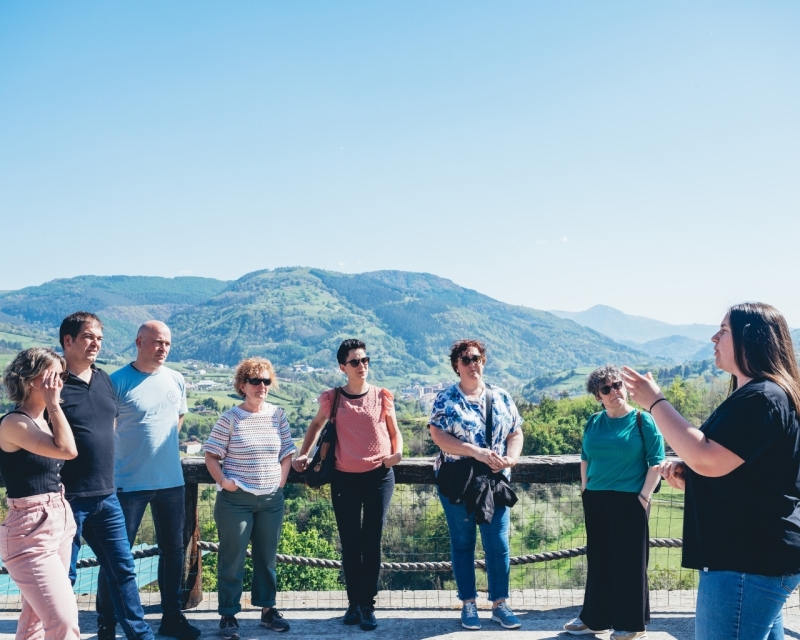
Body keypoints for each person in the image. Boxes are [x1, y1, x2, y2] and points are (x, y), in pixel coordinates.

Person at [624, 302, 800, 640]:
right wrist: (693, 477)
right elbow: (738, 471)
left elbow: (706, 457)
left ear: (751, 339)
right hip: (755, 559)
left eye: (724, 330)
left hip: (746, 562)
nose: (713, 337)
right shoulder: (763, 395)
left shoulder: (763, 397)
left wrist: (656, 403)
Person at [97, 321, 201, 640]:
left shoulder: (176, 379)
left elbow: (177, 419)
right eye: (157, 342)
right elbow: (104, 429)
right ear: (139, 341)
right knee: (117, 556)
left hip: (170, 481)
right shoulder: (116, 382)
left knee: (173, 551)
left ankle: (171, 617)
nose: (163, 348)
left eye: (167, 343)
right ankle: (107, 623)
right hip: (126, 484)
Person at [57, 312, 156, 640]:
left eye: (99, 337)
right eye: (88, 337)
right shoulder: (52, 384)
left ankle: (140, 636)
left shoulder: (103, 380)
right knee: (62, 577)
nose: (96, 343)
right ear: (68, 341)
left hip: (105, 494)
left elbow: (108, 427)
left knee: (123, 571)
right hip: (66, 499)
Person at [293, 339, 403, 631]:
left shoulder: (381, 396)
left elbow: (394, 431)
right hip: (344, 477)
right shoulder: (333, 398)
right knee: (351, 543)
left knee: (372, 540)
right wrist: (303, 453)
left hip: (379, 476)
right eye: (355, 361)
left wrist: (398, 453)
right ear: (343, 367)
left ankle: (368, 605)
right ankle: (354, 603)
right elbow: (316, 425)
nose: (362, 365)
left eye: (365, 360)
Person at [428, 339, 524, 631]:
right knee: (463, 543)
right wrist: (474, 451)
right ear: (456, 365)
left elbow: (516, 432)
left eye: (477, 358)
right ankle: (468, 603)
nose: (473, 364)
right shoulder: (446, 399)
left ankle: (500, 603)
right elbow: (438, 436)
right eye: (466, 359)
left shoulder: (502, 396)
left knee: (498, 544)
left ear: (484, 361)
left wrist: (510, 460)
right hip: (459, 480)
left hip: (494, 480)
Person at [563, 365, 664, 640]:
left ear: (625, 386)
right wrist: (586, 489)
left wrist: (643, 497)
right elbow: (585, 456)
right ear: (598, 396)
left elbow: (657, 462)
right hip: (596, 499)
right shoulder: (594, 422)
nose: (613, 391)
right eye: (605, 389)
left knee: (630, 563)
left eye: (617, 385)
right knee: (598, 561)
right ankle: (595, 620)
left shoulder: (643, 421)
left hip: (630, 500)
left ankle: (632, 625)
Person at [203, 357, 296, 638]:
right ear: (242, 385)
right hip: (235, 501)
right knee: (232, 560)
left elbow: (287, 452)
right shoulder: (230, 418)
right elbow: (211, 455)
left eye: (266, 381)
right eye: (255, 381)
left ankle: (268, 610)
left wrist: (280, 482)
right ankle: (228, 615)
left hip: (271, 501)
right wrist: (223, 482)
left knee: (267, 559)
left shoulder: (278, 414)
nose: (262, 386)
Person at [0, 348, 80, 639]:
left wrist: (51, 407)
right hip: (28, 528)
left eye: (62, 375)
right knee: (64, 619)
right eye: (53, 375)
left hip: (58, 518)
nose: (60, 382)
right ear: (30, 379)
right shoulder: (14, 423)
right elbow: (68, 451)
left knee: (35, 618)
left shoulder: (42, 421)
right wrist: (54, 405)